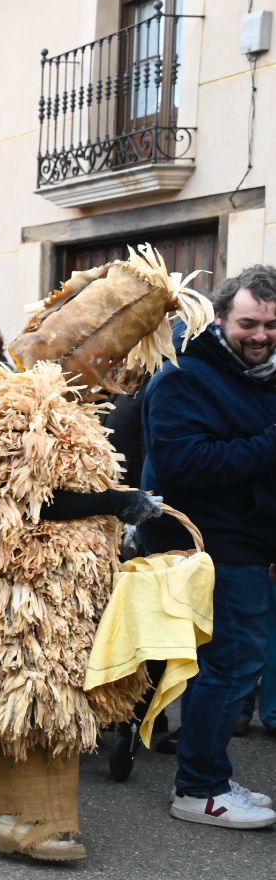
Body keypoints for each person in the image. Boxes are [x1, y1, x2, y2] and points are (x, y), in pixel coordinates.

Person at [0, 245, 204, 860]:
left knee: (27, 691)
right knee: (45, 693)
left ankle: (10, 803)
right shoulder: (29, 402)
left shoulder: (32, 394)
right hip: (30, 581)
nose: (117, 371)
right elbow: (29, 499)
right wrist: (116, 501)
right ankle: (42, 821)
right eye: (111, 355)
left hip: (37, 577)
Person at [141, 263, 276, 829]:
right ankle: (200, 788)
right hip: (209, 544)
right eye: (249, 323)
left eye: (271, 324)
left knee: (231, 665)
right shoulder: (184, 375)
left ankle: (209, 774)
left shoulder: (260, 375)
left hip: (249, 543)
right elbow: (181, 463)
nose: (262, 335)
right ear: (221, 318)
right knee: (232, 665)